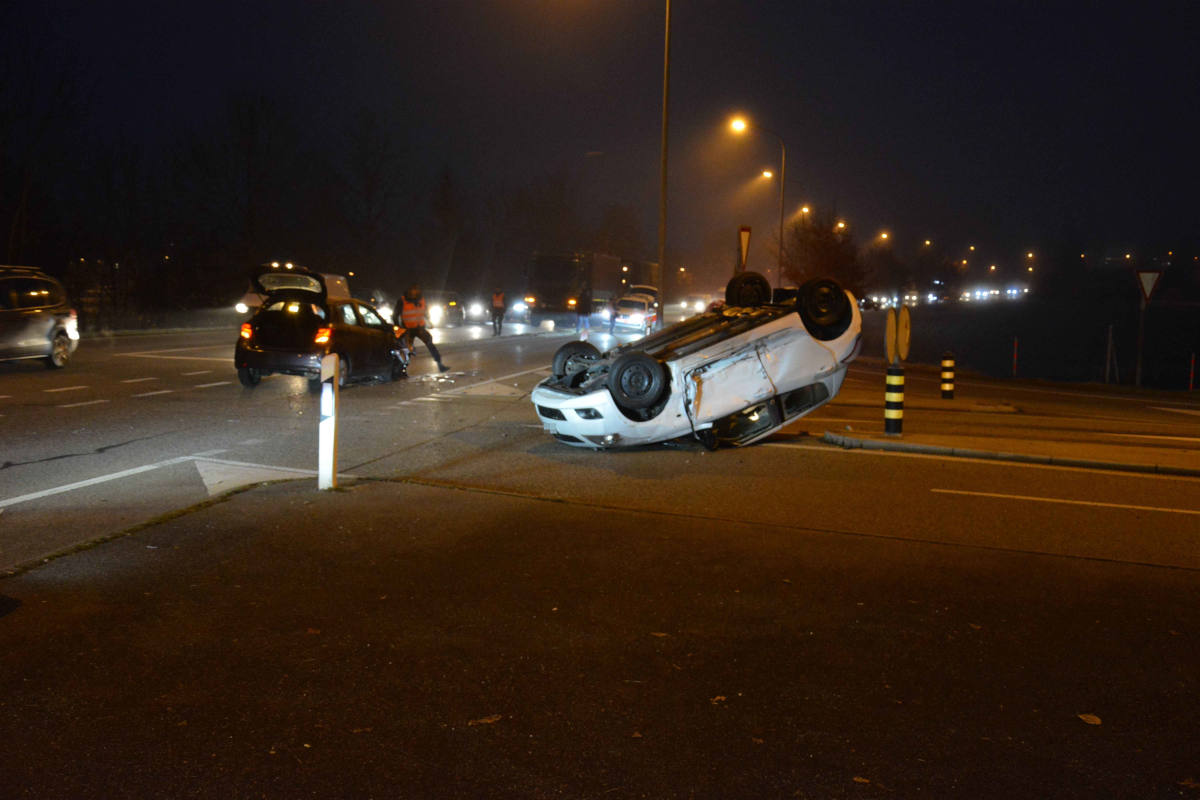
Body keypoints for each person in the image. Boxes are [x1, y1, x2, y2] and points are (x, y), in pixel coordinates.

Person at [395, 284, 449, 373]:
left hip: (419, 327)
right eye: (412, 291)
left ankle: (440, 364)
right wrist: (398, 326)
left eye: (416, 291)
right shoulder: (402, 300)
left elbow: (425, 311)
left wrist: (429, 321)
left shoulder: (421, 300)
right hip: (408, 329)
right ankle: (400, 369)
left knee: (430, 344)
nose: (414, 293)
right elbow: (395, 315)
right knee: (405, 349)